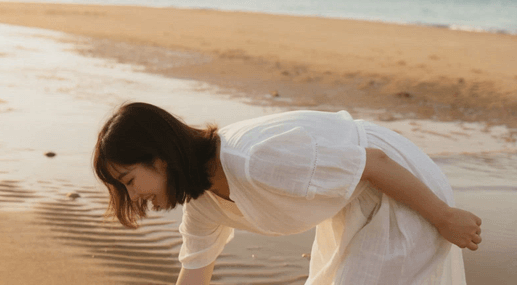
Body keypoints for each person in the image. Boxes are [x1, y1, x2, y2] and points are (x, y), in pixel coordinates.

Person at [93, 102, 482, 285]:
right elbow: (195, 272)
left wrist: (444, 216)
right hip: (349, 204)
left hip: (396, 189)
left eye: (129, 181)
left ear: (160, 158)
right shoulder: (202, 203)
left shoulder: (254, 159)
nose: (134, 196)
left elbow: (374, 162)